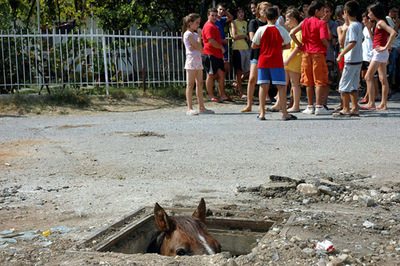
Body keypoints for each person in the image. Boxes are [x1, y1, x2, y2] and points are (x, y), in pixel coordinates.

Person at [252, 6, 296, 121]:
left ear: (265, 17)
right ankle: (284, 113)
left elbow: (254, 44)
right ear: (277, 17)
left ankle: (262, 113)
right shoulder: (281, 29)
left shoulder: (261, 29)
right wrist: (278, 47)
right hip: (276, 60)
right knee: (281, 86)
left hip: (263, 60)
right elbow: (287, 44)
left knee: (263, 86)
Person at [290, 0, 331, 115]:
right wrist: (328, 46)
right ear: (317, 11)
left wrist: (300, 45)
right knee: (319, 80)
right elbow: (323, 39)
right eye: (322, 10)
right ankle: (319, 106)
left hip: (306, 53)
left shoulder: (305, 21)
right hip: (318, 54)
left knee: (308, 81)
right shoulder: (321, 23)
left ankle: (309, 106)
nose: (324, 12)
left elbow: (292, 33)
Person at [361, 2, 397, 111]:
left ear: (375, 12)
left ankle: (371, 103)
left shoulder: (380, 22)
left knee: (368, 76)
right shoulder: (378, 23)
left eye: (370, 12)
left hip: (380, 52)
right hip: (379, 52)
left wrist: (385, 46)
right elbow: (375, 39)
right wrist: (368, 28)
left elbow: (393, 32)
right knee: (382, 79)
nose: (368, 14)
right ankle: (383, 104)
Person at [241, 1, 271, 113]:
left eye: (267, 9)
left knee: (265, 80)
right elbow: (253, 39)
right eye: (263, 9)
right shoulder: (254, 22)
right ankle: (249, 104)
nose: (265, 11)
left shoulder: (271, 23)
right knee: (252, 78)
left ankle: (263, 105)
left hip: (268, 54)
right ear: (258, 11)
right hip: (256, 54)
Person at [334, 0, 363, 117]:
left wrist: (341, 54)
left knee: (344, 85)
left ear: (345, 12)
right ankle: (355, 108)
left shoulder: (352, 26)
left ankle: (346, 108)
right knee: (353, 85)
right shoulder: (359, 24)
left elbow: (352, 42)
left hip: (351, 60)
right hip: (358, 59)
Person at [182, 13, 214, 116]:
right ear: (190, 23)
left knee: (200, 83)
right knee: (190, 84)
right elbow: (199, 47)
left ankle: (201, 107)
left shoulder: (195, 35)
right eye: (196, 23)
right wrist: (199, 39)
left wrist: (198, 41)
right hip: (191, 60)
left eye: (199, 23)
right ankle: (189, 108)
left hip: (198, 60)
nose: (198, 25)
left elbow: (200, 48)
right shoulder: (188, 34)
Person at [202, 8, 231, 103]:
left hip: (217, 55)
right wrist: (221, 47)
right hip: (210, 54)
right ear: (208, 16)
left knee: (221, 74)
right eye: (212, 15)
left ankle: (222, 94)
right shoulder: (208, 26)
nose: (214, 17)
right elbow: (211, 41)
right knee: (210, 75)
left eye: (215, 15)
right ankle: (211, 95)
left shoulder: (214, 26)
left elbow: (216, 39)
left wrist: (221, 44)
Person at [283, 8, 303, 113]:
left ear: (294, 19)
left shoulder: (298, 31)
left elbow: (298, 47)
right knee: (291, 83)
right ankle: (288, 103)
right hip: (290, 60)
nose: (286, 22)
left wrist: (288, 60)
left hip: (294, 60)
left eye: (287, 19)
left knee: (295, 83)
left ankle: (296, 105)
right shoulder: (293, 30)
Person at [359, 12, 379, 104]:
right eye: (363, 19)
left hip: (371, 55)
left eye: (365, 19)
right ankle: (374, 94)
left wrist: (368, 28)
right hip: (364, 55)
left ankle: (369, 96)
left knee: (370, 77)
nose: (363, 21)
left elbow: (373, 40)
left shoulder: (373, 27)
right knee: (365, 76)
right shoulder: (364, 28)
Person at [230, 7, 251, 98]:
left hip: (246, 48)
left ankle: (236, 83)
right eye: (239, 12)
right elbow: (234, 36)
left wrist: (246, 37)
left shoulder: (246, 23)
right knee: (239, 71)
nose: (241, 14)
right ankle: (241, 92)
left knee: (250, 70)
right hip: (237, 48)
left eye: (242, 12)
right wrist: (244, 36)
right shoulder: (233, 22)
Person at [216, 3, 234, 83]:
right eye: (220, 9)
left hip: (224, 45)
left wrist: (225, 11)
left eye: (223, 10)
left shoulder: (222, 19)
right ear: (216, 10)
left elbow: (231, 17)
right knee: (217, 67)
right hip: (217, 45)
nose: (221, 11)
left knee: (226, 66)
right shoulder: (213, 20)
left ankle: (221, 83)